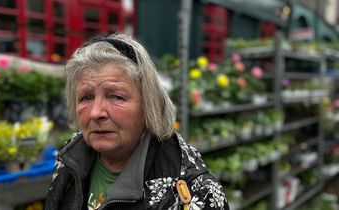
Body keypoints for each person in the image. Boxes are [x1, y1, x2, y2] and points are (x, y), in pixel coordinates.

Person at [45, 33, 229, 210]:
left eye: (116, 97)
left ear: (149, 104)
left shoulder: (197, 193)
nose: (96, 112)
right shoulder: (68, 159)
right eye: (86, 97)